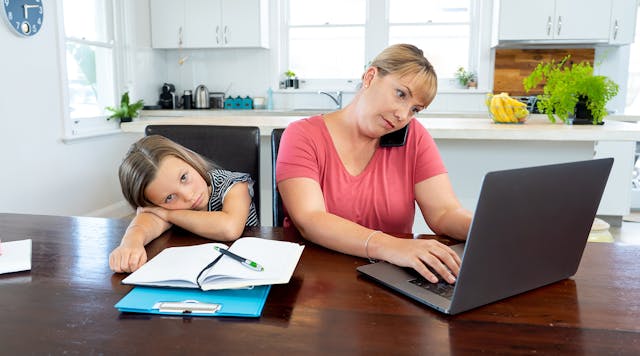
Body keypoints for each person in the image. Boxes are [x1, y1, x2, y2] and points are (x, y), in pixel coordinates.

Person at [276, 44, 473, 284]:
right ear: (370, 77)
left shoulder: (414, 136)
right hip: (316, 282)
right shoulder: (302, 135)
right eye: (401, 94)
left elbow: (444, 212)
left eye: (415, 109)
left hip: (390, 281)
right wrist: (393, 247)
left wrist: (484, 228)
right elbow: (310, 219)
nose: (403, 115)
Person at [109, 135, 259, 273]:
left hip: (247, 266)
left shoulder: (234, 184)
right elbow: (144, 223)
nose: (188, 196)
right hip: (196, 273)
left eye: (183, 177)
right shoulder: (162, 209)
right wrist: (130, 243)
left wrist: (168, 214)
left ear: (189, 160)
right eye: (169, 197)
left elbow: (229, 228)